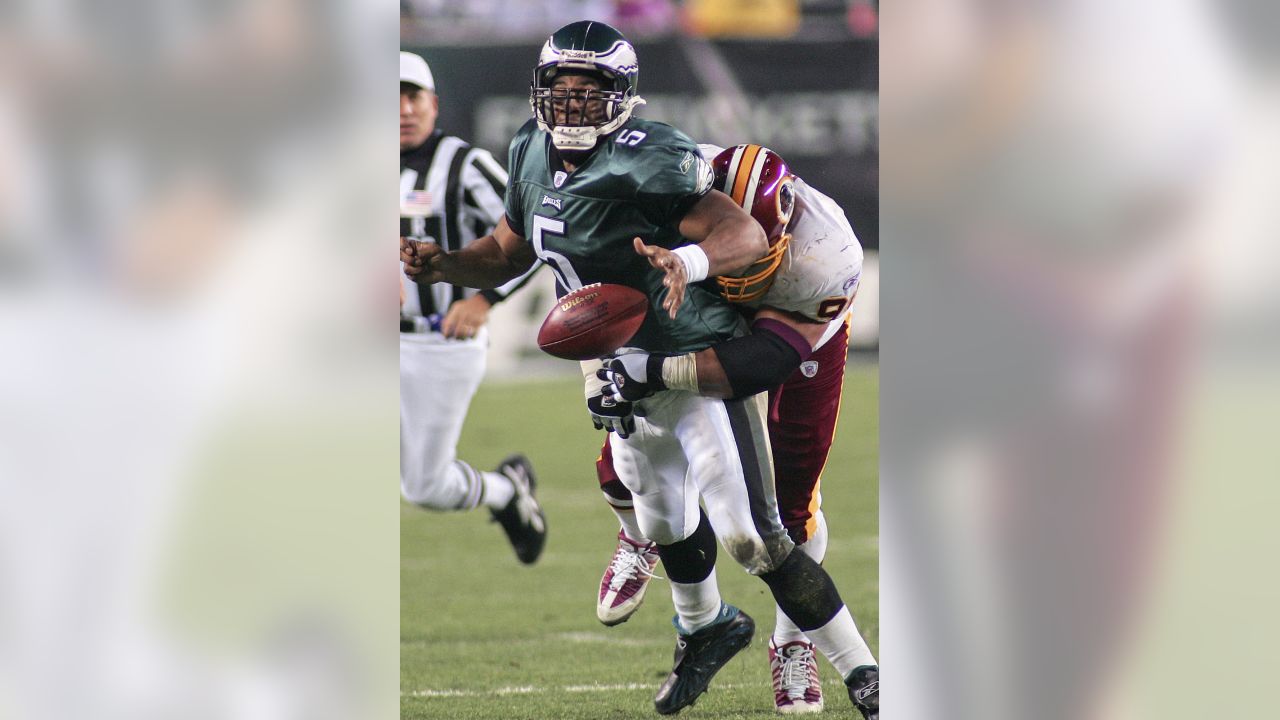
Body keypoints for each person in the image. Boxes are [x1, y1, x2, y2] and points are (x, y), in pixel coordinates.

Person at [401, 22, 876, 718]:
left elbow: (743, 258)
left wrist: (683, 269)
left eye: (589, 93)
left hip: (699, 351)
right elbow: (509, 248)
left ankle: (859, 670)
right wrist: (446, 265)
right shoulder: (530, 151)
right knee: (660, 519)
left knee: (757, 533)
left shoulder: (662, 163)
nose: (572, 106)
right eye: (560, 92)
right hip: (618, 357)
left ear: (622, 97)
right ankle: (705, 627)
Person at [594, 143, 878, 715]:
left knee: (790, 503)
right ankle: (643, 533)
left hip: (788, 334)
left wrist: (652, 368)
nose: (743, 265)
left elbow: (760, 362)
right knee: (622, 465)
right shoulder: (671, 177)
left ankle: (793, 642)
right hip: (687, 310)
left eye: (756, 251)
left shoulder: (827, 254)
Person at [398, 51, 547, 564]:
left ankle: (507, 492)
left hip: (439, 340)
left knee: (426, 487)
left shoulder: (463, 165)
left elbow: (535, 240)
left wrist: (485, 299)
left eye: (412, 95)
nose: (402, 109)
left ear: (433, 104)